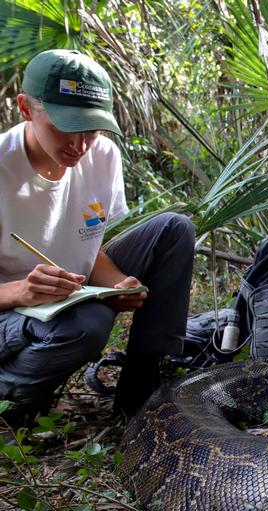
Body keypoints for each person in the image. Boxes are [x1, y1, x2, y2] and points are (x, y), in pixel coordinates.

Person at [0, 50, 195, 424]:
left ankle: (143, 385)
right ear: (25, 108)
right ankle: (12, 400)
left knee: (173, 229)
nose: (80, 144)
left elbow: (88, 248)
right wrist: (20, 291)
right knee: (88, 322)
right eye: (64, 126)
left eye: (90, 128)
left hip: (66, 294)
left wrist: (119, 284)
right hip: (11, 310)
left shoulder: (102, 156)